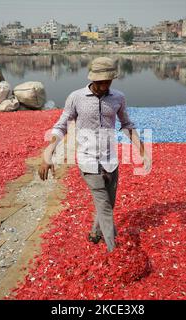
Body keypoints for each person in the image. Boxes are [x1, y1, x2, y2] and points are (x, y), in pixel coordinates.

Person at [38, 57, 150, 252]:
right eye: (100, 82)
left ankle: (95, 232)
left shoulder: (118, 98)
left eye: (108, 81)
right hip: (88, 161)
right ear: (92, 79)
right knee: (105, 207)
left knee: (108, 204)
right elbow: (61, 125)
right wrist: (48, 153)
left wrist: (142, 150)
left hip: (111, 160)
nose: (104, 85)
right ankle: (113, 250)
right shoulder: (76, 97)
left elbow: (127, 124)